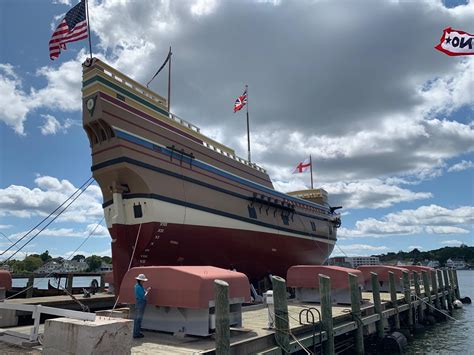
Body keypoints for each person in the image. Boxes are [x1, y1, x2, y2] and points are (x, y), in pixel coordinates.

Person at [133, 273, 151, 339]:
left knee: (138, 318)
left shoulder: (138, 286)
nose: (144, 282)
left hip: (139, 303)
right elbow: (143, 296)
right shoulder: (138, 287)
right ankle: (136, 333)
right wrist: (148, 291)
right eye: (143, 281)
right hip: (140, 303)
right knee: (138, 319)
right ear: (140, 280)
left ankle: (136, 332)